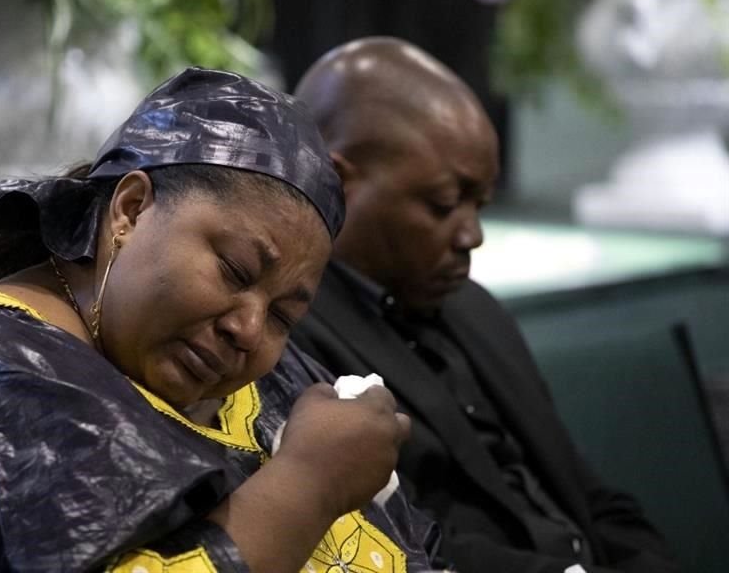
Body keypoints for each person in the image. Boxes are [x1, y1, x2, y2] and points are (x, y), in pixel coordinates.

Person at [0, 68, 439, 572]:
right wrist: (309, 483)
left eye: (287, 315)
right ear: (130, 210)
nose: (250, 329)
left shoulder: (229, 362)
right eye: (235, 271)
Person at [289, 37, 681, 573]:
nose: (472, 235)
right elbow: (393, 542)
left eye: (480, 205)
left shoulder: (474, 307)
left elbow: (588, 495)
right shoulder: (288, 332)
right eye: (445, 204)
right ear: (338, 181)